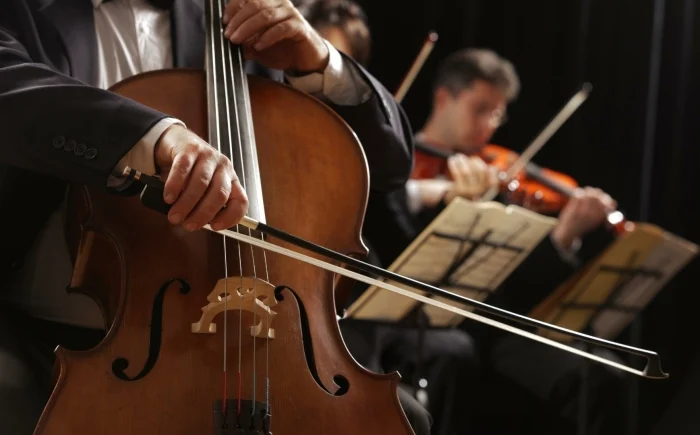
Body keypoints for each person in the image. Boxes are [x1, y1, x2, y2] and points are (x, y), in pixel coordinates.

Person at [0, 0, 430, 433]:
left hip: (238, 340)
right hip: (40, 330)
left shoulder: (230, 20)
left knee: (401, 420)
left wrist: (318, 63)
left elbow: (390, 164)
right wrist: (157, 137)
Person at [362, 48, 627, 434]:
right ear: (443, 98)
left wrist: (564, 235)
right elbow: (396, 252)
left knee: (600, 374)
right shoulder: (398, 172)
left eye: (497, 113)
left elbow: (518, 286)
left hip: (499, 329)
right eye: (480, 108)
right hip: (428, 328)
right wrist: (446, 197)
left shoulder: (497, 175)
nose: (489, 125)